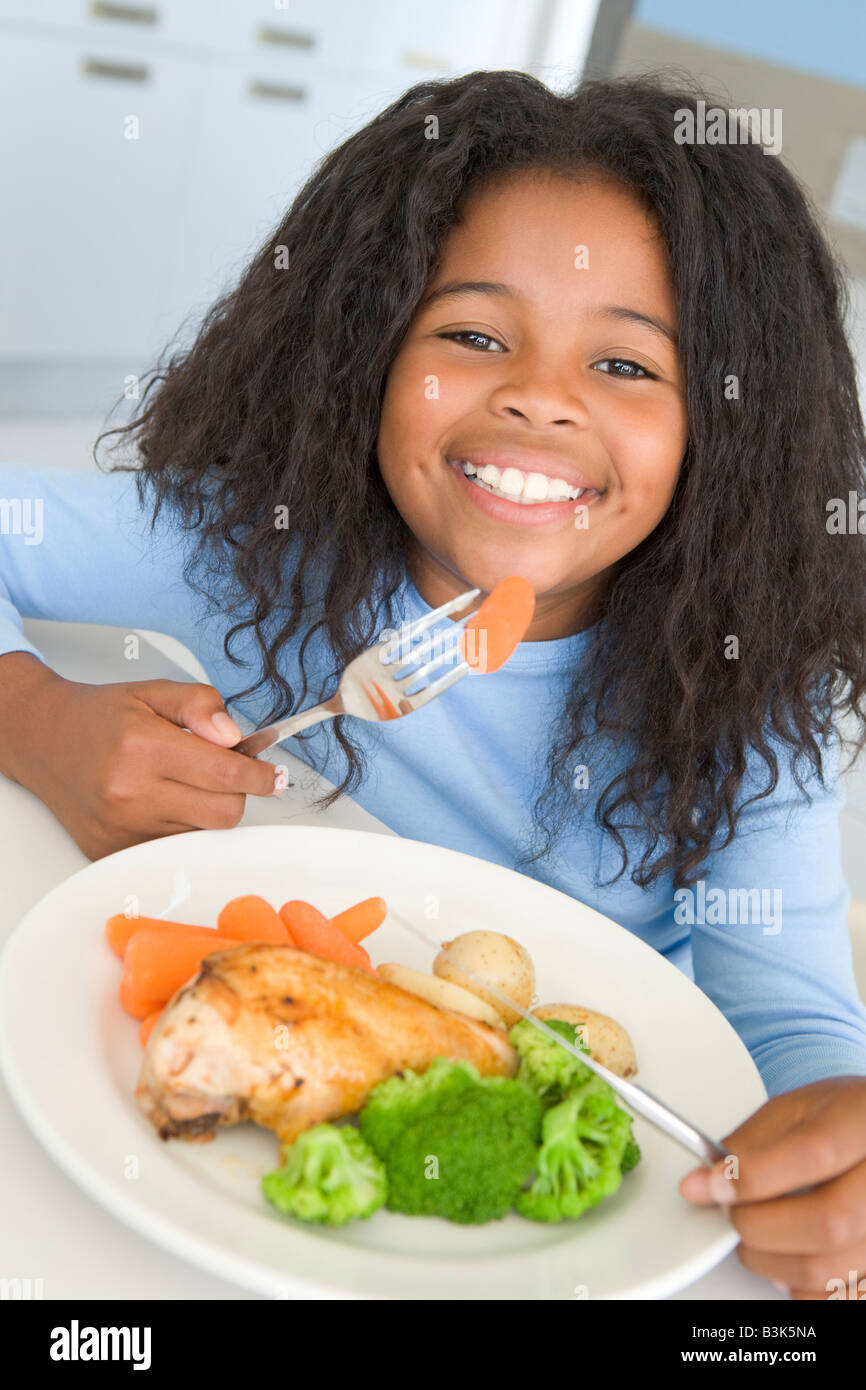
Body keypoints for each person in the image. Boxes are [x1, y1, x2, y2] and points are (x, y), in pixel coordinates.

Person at [1, 71, 865, 1298]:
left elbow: (790, 1021)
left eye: (624, 365)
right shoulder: (247, 547)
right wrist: (35, 719)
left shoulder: (745, 699)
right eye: (471, 336)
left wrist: (837, 1153)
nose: (538, 396)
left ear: (726, 432)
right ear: (363, 345)